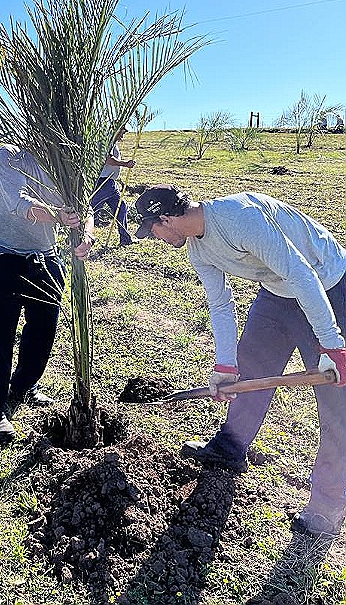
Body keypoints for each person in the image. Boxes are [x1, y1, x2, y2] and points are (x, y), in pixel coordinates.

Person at [134, 185, 346, 539]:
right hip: (278, 291)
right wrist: (225, 365)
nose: (153, 238)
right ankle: (231, 448)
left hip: (326, 285)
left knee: (336, 403)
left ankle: (328, 504)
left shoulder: (239, 217)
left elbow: (301, 274)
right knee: (250, 367)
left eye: (152, 229)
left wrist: (332, 342)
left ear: (167, 219)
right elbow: (220, 304)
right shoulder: (199, 249)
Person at [0, 144, 95, 443]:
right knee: (0, 333)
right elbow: (17, 202)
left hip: (47, 256)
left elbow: (87, 207)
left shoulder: (64, 158)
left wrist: (88, 236)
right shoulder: (9, 155)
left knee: (44, 329)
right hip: (6, 256)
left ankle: (24, 385)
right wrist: (58, 215)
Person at [90, 127, 136, 246]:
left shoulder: (112, 143)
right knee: (92, 210)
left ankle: (125, 239)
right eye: (122, 133)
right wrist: (125, 164)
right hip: (103, 182)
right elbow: (107, 159)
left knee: (121, 207)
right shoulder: (106, 141)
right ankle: (77, 237)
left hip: (108, 182)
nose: (122, 136)